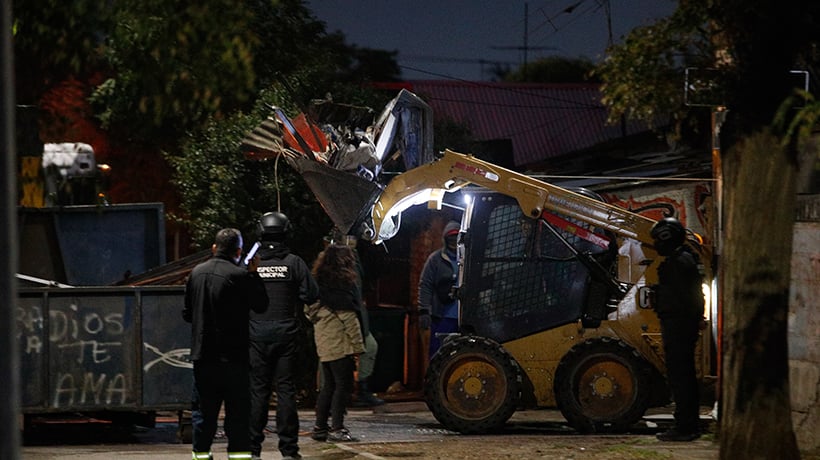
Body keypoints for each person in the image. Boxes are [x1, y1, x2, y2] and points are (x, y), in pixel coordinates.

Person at [183, 228, 269, 460]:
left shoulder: (196, 273)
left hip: (203, 356)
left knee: (203, 412)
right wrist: (254, 274)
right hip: (233, 358)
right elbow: (261, 305)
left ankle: (201, 455)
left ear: (214, 248)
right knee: (238, 414)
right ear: (239, 252)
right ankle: (238, 456)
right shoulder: (239, 276)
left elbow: (187, 314)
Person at [248, 212, 319, 460]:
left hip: (256, 334)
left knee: (258, 391)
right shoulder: (294, 263)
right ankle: (289, 450)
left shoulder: (252, 263)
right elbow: (311, 294)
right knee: (286, 390)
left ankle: (253, 450)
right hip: (286, 334)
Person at [649, 217, 705, 442]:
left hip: (679, 326)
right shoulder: (685, 258)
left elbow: (684, 297)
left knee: (681, 377)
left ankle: (685, 427)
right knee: (684, 376)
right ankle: (688, 424)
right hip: (682, 324)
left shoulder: (678, 262)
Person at [306, 244, 366, 443]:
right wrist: (358, 346)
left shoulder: (317, 286)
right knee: (342, 386)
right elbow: (349, 320)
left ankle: (320, 427)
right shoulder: (342, 288)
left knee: (328, 385)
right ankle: (337, 428)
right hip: (341, 343)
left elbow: (309, 312)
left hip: (324, 341)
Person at [418, 220, 461, 358]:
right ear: (445, 239)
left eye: (456, 237)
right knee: (438, 354)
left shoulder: (467, 259)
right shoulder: (435, 259)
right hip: (442, 317)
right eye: (451, 238)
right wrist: (424, 310)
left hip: (463, 318)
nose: (453, 241)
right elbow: (426, 285)